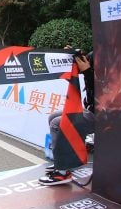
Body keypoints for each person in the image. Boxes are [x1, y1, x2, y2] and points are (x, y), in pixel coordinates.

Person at [39, 50, 95, 186]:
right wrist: (70, 57)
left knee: (58, 123)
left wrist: (88, 72)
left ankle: (62, 173)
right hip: (92, 110)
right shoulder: (96, 55)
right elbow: (79, 69)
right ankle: (65, 162)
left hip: (108, 117)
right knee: (54, 116)